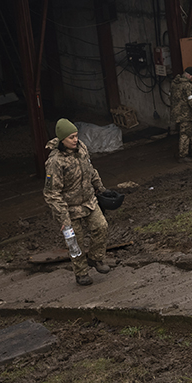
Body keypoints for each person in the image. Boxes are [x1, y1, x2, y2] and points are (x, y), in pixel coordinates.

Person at [43, 119, 111, 286]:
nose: (75, 140)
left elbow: (90, 169)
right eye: (71, 137)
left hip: (88, 202)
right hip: (69, 209)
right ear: (62, 139)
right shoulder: (55, 162)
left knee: (101, 227)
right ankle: (81, 273)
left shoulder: (81, 148)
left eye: (76, 136)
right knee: (75, 242)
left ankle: (95, 258)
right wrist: (63, 219)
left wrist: (101, 188)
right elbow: (51, 193)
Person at [171, 66, 192, 163]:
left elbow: (171, 97)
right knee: (185, 133)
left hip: (176, 112)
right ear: (189, 75)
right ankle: (182, 155)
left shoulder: (174, 83)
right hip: (185, 113)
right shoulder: (187, 85)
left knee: (191, 130)